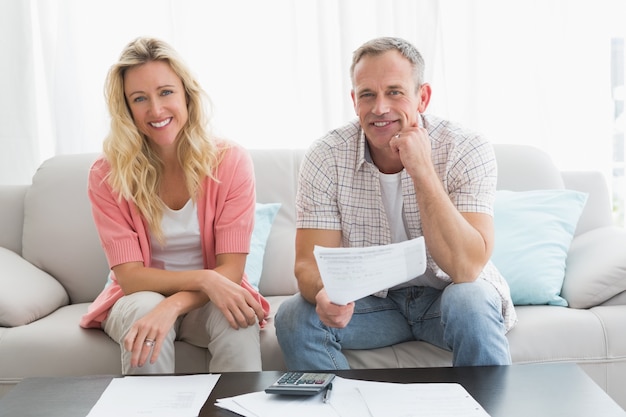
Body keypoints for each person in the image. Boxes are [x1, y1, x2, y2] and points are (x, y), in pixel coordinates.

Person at [274, 36, 517, 370]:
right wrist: (324, 293)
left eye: (395, 92)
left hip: (447, 301)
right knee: (293, 315)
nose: (380, 108)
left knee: (470, 298)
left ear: (423, 97)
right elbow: (307, 266)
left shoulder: (467, 148)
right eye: (367, 95)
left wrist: (422, 170)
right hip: (372, 306)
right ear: (354, 100)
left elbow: (466, 268)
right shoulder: (326, 156)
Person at [79, 37, 268, 374]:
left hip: (207, 300)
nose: (156, 110)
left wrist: (178, 302)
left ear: (186, 95)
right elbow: (132, 278)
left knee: (237, 317)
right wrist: (205, 280)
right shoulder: (107, 174)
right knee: (144, 307)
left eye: (166, 92)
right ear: (126, 109)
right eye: (140, 99)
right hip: (138, 297)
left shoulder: (230, 161)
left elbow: (230, 273)